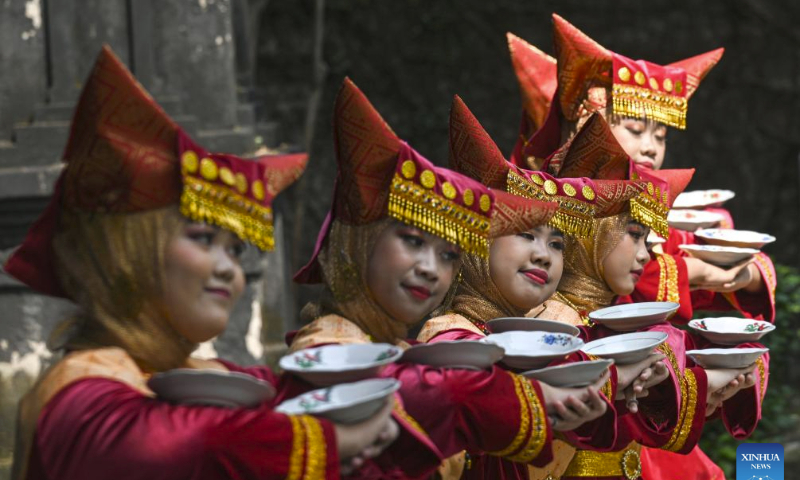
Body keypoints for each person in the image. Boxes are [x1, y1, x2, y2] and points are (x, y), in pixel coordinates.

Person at [5, 47, 400, 480]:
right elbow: (193, 442)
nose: (229, 269)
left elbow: (274, 402)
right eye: (202, 239)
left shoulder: (207, 376)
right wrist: (336, 442)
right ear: (126, 252)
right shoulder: (77, 396)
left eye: (234, 249)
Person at [287, 78, 614, 478]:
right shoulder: (332, 343)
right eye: (411, 241)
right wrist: (530, 397)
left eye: (447, 254)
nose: (430, 269)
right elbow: (428, 393)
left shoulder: (391, 343)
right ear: (359, 242)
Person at [417, 96, 676, 480]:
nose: (545, 256)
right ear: (476, 241)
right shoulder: (449, 335)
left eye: (557, 244)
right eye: (526, 235)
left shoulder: (550, 328)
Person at [528, 116, 762, 480]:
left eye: (647, 239)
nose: (644, 254)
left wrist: (709, 391)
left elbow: (653, 412)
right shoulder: (555, 322)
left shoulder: (621, 315)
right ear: (591, 234)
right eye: (635, 236)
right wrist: (703, 387)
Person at [507, 15, 775, 324]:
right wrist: (696, 272)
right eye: (635, 130)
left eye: (660, 136)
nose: (651, 147)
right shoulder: (555, 200)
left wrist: (745, 275)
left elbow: (730, 262)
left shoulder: (648, 210)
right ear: (584, 128)